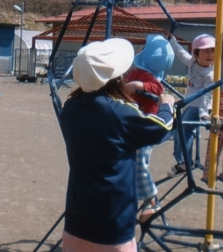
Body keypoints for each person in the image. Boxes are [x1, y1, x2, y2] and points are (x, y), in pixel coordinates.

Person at [60, 38, 176, 251]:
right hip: (113, 225)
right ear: (115, 79)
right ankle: (151, 199)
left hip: (76, 221)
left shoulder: (70, 108)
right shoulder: (119, 113)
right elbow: (161, 127)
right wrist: (167, 105)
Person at [123, 34, 175, 222]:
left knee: (140, 163)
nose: (140, 49)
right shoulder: (134, 71)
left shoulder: (149, 77)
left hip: (148, 125)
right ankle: (139, 196)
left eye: (144, 47)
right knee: (131, 160)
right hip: (135, 124)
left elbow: (157, 89)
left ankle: (152, 200)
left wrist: (138, 85)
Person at [167, 33, 215, 177]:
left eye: (212, 51)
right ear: (196, 52)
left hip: (199, 107)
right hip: (189, 104)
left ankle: (184, 163)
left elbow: (208, 94)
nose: (210, 55)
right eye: (206, 51)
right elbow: (182, 54)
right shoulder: (193, 63)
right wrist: (173, 42)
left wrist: (204, 113)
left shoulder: (210, 74)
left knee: (185, 131)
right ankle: (184, 161)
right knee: (180, 131)